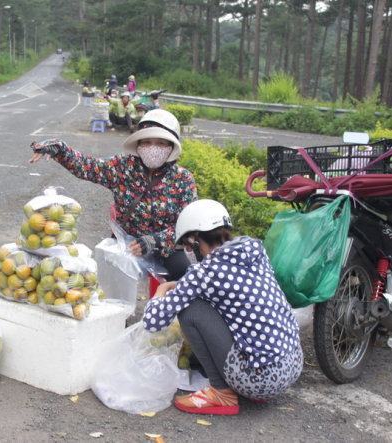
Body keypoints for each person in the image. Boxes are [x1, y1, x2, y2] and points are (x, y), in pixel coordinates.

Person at [143, 199, 303, 416]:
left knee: (191, 310)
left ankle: (221, 392)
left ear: (197, 238)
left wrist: (161, 292)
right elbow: (235, 285)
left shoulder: (205, 272)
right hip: (291, 365)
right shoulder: (254, 250)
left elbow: (153, 322)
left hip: (261, 379)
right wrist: (183, 285)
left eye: (190, 246)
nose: (190, 251)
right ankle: (249, 386)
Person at [29, 109, 196, 281]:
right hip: (125, 244)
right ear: (138, 144)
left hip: (165, 248)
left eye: (161, 143)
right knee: (108, 288)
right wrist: (58, 149)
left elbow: (188, 228)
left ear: (171, 146)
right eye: (147, 142)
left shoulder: (183, 180)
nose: (153, 148)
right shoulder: (122, 167)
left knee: (186, 275)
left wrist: (154, 242)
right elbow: (87, 166)